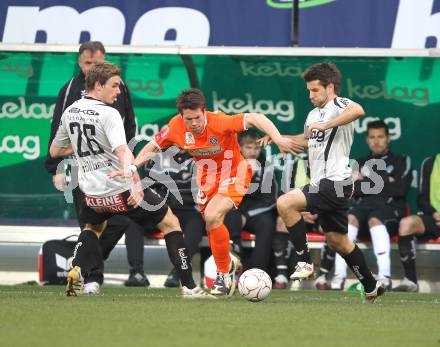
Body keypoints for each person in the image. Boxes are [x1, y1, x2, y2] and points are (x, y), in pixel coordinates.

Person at [117, 88, 302, 297]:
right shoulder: (175, 126)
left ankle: (223, 273)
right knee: (211, 221)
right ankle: (228, 267)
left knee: (213, 215)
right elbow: (153, 146)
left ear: (204, 111)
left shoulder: (220, 121)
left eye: (197, 117)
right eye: (189, 119)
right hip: (206, 180)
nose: (194, 123)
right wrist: (133, 167)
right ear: (181, 116)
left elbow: (255, 117)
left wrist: (276, 137)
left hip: (235, 173)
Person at [50, 61, 210, 298]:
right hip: (120, 187)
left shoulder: (71, 110)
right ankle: (189, 286)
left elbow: (55, 150)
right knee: (170, 223)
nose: (118, 91)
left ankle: (77, 270)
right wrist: (135, 183)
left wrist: (86, 151)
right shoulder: (109, 113)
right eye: (114, 86)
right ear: (98, 85)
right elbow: (124, 151)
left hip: (91, 191)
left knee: (92, 227)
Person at [271, 62, 385, 302]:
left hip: (335, 183)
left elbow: (359, 110)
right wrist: (278, 138)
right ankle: (372, 285)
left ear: (330, 87)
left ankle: (303, 261)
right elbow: (306, 140)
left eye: (315, 90)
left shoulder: (339, 105)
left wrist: (326, 124)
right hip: (324, 184)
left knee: (285, 203)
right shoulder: (313, 114)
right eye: (309, 91)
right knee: (338, 241)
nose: (310, 95)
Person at [44, 41, 147, 288]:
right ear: (79, 62)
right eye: (88, 63)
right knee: (89, 225)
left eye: (96, 63)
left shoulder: (116, 86)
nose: (92, 67)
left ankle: (82, 264)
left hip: (115, 168)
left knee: (119, 220)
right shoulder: (69, 89)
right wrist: (55, 167)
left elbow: (129, 125)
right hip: (85, 168)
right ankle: (92, 279)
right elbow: (58, 129)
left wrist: (130, 165)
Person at [330, 120, 412, 291]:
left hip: (389, 211)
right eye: (372, 137)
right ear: (367, 139)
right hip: (362, 211)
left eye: (380, 137)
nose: (376, 141)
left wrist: (367, 177)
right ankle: (339, 276)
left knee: (375, 219)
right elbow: (351, 189)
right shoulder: (358, 162)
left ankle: (384, 276)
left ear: (388, 138)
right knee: (349, 218)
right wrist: (385, 181)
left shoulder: (401, 160)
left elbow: (400, 189)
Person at [124, 148, 206, 288]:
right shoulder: (157, 157)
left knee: (196, 223)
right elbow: (149, 186)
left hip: (186, 209)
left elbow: (199, 190)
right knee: (133, 222)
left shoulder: (198, 158)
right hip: (160, 208)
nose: (177, 143)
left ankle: (178, 273)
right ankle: (136, 273)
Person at [223, 130, 278, 273]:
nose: (253, 152)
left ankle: (257, 273)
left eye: (256, 147)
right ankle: (234, 263)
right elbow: (224, 192)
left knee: (267, 223)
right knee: (230, 215)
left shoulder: (266, 167)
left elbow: (270, 200)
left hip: (255, 213)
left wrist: (246, 216)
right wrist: (246, 174)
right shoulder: (229, 164)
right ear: (239, 147)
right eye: (248, 147)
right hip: (233, 208)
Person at [393, 153, 440, 292]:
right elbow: (422, 199)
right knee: (406, 224)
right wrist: (434, 213)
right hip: (434, 217)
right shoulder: (430, 162)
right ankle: (410, 280)